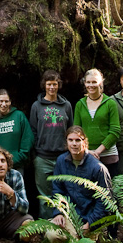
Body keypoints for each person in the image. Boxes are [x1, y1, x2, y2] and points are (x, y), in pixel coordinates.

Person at [48, 126, 112, 241]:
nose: (74, 144)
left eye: (78, 140)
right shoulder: (61, 161)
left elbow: (104, 201)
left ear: (85, 142)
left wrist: (90, 223)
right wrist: (58, 213)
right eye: (70, 140)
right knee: (51, 234)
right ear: (66, 142)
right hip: (69, 216)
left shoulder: (97, 168)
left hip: (90, 219)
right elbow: (57, 190)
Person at [29, 69, 73, 218]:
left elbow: (71, 130)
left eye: (54, 84)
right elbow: (33, 131)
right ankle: (47, 229)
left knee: (64, 192)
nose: (52, 87)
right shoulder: (36, 106)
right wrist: (35, 155)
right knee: (45, 196)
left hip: (62, 157)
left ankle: (64, 224)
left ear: (58, 85)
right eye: (49, 84)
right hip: (42, 157)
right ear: (44, 85)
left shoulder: (66, 105)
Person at [73, 69, 120, 177]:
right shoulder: (80, 104)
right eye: (88, 82)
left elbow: (115, 131)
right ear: (85, 83)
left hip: (108, 155)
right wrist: (87, 151)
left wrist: (98, 151)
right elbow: (76, 131)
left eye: (94, 82)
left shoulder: (110, 103)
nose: (91, 85)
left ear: (101, 83)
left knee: (109, 190)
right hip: (86, 154)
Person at [0, 89, 34, 174]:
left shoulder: (19, 116)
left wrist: (18, 158)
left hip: (17, 165)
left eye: (6, 101)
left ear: (10, 102)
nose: (4, 104)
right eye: (1, 101)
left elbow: (28, 139)